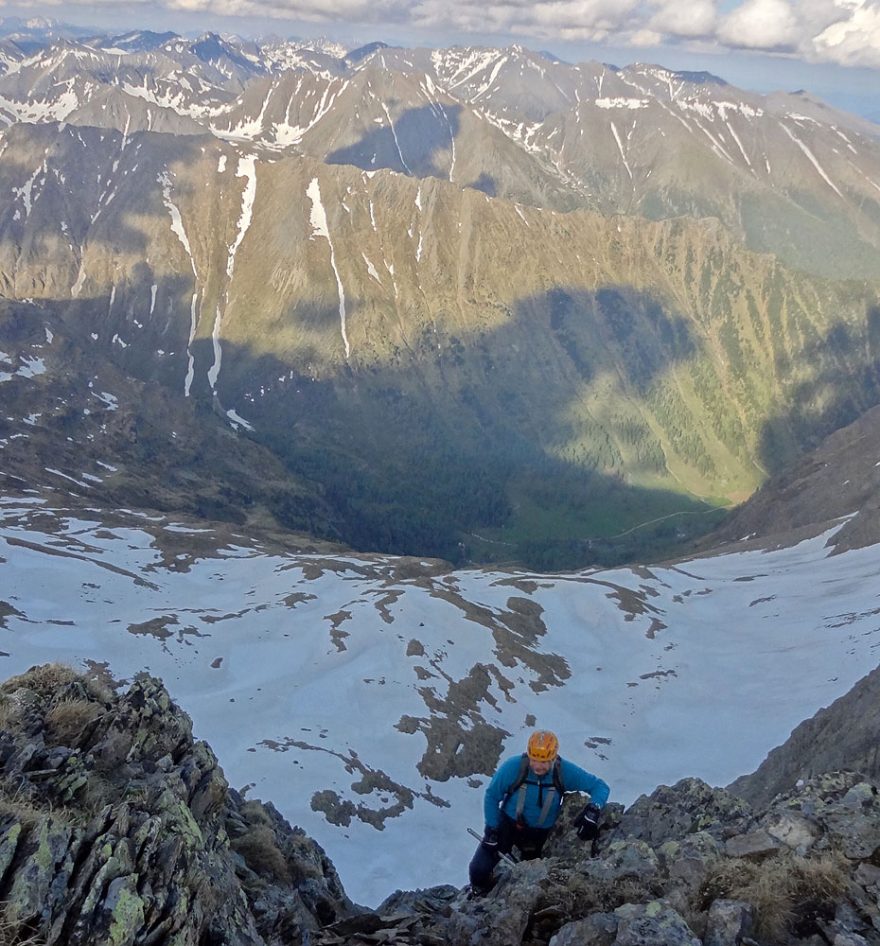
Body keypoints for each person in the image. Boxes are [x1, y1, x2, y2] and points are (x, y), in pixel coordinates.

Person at [468, 729, 610, 895]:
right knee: (478, 870)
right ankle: (482, 894)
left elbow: (600, 787)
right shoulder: (513, 768)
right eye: (534, 760)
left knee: (532, 886)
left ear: (553, 757)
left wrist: (593, 809)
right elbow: (492, 796)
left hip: (539, 835)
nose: (538, 766)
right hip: (507, 825)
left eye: (544, 762)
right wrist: (491, 829)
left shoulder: (563, 771)